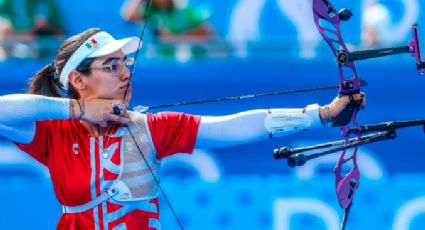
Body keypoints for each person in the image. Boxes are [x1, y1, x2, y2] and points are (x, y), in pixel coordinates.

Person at [0, 28, 365, 229]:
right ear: (78, 79)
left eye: (125, 63)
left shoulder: (148, 129)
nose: (126, 73)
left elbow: (233, 127)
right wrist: (77, 110)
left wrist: (322, 114)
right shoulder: (54, 134)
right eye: (111, 66)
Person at [0, 0, 64, 58]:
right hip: (10, 50)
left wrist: (44, 27)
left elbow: (60, 34)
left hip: (40, 53)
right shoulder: (6, 3)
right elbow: (3, 27)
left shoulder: (46, 4)